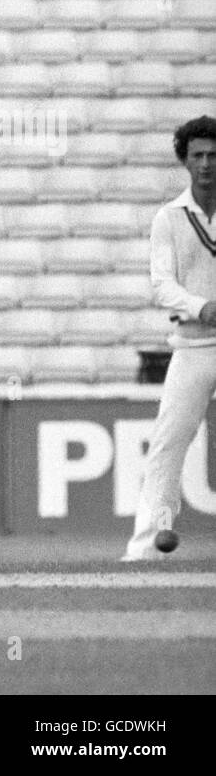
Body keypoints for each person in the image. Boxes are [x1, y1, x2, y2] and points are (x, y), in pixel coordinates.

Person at [123, 115, 216, 561]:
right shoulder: (170, 218)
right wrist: (203, 307)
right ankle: (144, 548)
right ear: (184, 160)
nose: (205, 164)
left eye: (213, 156)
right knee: (168, 441)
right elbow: (162, 285)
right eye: (197, 155)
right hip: (194, 346)